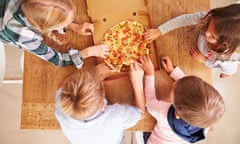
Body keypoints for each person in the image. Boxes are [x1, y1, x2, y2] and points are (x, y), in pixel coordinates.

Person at [130, 55, 225, 144]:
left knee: (144, 127)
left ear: (177, 113)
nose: (174, 83)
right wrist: (173, 72)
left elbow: (150, 102)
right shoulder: (206, 119)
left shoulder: (163, 112)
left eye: (173, 89)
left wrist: (149, 74)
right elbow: (193, 89)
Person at [0, 0, 109, 69]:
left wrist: (73, 26)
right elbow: (58, 60)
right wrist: (89, 52)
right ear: (44, 28)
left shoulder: (35, 8)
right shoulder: (23, 34)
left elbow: (47, 14)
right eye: (62, 23)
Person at [144, 4, 240, 78]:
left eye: (212, 36)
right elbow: (185, 19)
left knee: (227, 72)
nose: (206, 33)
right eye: (208, 27)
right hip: (205, 50)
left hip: (217, 63)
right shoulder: (210, 19)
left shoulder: (228, 60)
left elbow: (230, 69)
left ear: (225, 45)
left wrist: (204, 60)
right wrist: (160, 30)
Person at [55, 66, 144, 144]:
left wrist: (96, 71)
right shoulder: (116, 115)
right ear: (102, 106)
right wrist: (137, 83)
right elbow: (141, 114)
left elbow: (61, 84)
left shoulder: (61, 108)